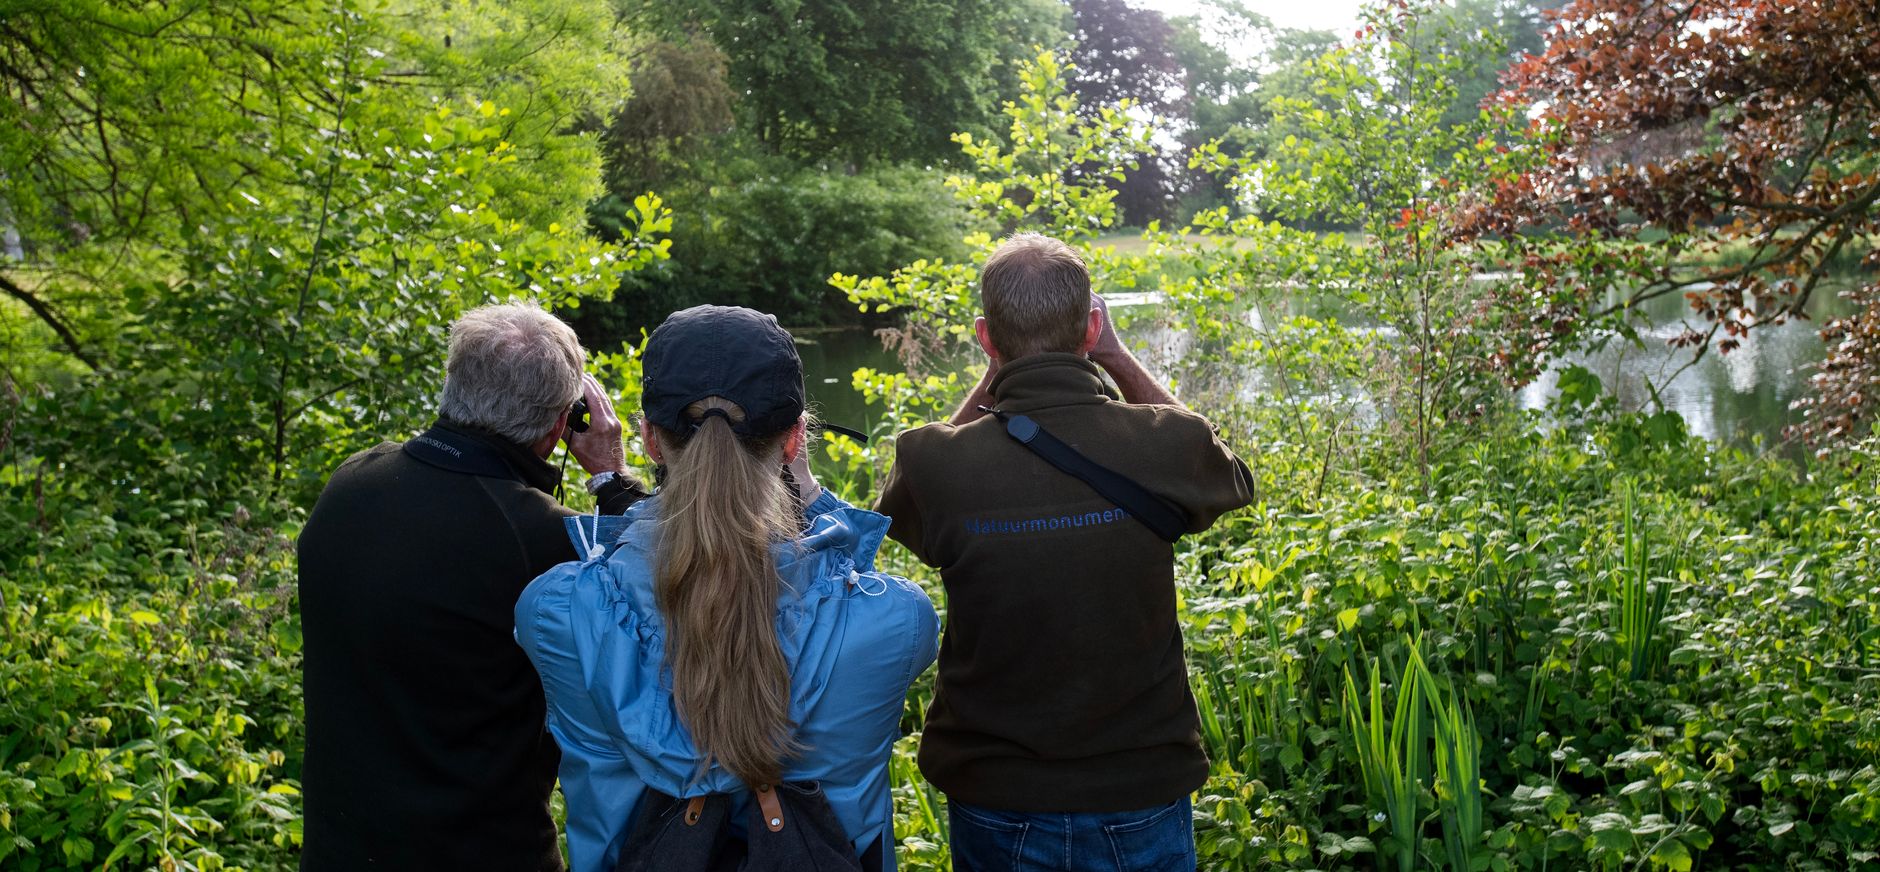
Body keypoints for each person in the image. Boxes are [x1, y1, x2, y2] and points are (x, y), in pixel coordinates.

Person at [875, 233, 1255, 871]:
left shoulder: (934, 462)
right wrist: (1119, 358)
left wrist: (998, 373)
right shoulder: (1165, 444)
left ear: (985, 338)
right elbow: (1230, 478)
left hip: (997, 791)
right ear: (1093, 328)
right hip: (1141, 786)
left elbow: (899, 514)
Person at [515, 304, 939, 872]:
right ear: (794, 441)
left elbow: (639, 570)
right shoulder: (894, 623)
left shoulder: (557, 612)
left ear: (650, 439)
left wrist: (608, 483)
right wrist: (812, 496)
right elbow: (847, 587)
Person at [297, 303, 648, 870]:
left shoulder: (351, 483)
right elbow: (662, 589)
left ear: (453, 385)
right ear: (563, 423)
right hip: (484, 852)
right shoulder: (541, 539)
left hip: (340, 850)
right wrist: (610, 477)